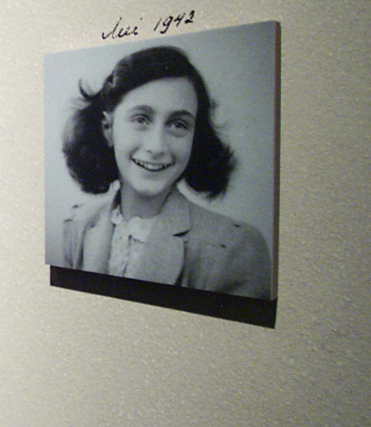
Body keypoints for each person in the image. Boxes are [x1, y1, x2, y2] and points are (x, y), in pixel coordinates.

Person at [61, 46, 272, 300]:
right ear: (108, 129)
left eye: (178, 124)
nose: (157, 147)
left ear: (195, 138)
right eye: (141, 119)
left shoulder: (235, 249)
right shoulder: (78, 228)